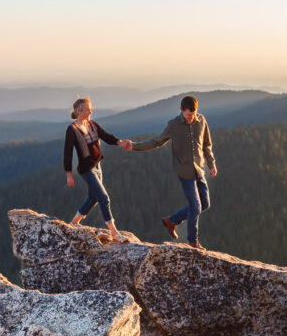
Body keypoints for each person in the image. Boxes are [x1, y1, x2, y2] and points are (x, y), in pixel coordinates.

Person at [131, 95, 216, 249]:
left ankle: (172, 221)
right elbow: (156, 142)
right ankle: (192, 241)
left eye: (194, 114)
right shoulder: (173, 125)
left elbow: (206, 144)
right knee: (195, 206)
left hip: (199, 170)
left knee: (205, 204)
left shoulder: (201, 121)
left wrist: (211, 164)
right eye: (189, 114)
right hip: (185, 172)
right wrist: (134, 146)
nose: (191, 118)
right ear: (181, 110)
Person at [62, 97, 134, 242]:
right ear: (79, 111)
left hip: (97, 166)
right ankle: (114, 232)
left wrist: (120, 143)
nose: (91, 111)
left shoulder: (92, 124)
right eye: (88, 109)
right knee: (103, 197)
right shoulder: (72, 129)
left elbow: (106, 136)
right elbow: (67, 152)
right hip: (86, 169)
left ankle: (74, 223)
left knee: (93, 197)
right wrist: (68, 173)